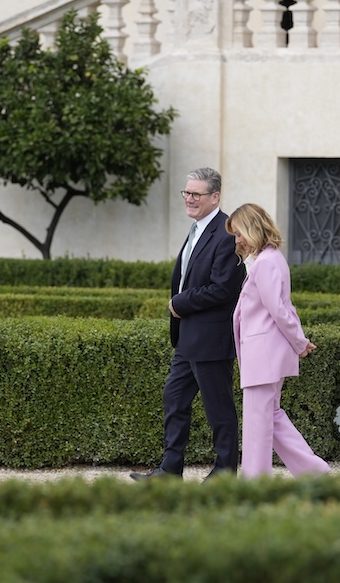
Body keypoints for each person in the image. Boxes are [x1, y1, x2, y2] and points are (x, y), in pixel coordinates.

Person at [130, 167, 245, 481]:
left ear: (215, 197)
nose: (189, 199)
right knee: (175, 399)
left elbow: (224, 288)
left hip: (211, 340)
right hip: (187, 339)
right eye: (187, 193)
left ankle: (224, 473)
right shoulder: (197, 229)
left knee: (219, 410)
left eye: (196, 194)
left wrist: (179, 303)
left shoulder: (226, 233)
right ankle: (170, 470)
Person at [226, 203, 331, 478]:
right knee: (271, 417)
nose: (237, 241)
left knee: (257, 423)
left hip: (263, 355)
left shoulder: (266, 263)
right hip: (267, 353)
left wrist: (299, 341)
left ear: (253, 228)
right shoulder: (270, 259)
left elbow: (279, 309)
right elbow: (285, 307)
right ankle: (316, 473)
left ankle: (254, 483)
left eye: (239, 233)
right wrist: (299, 340)